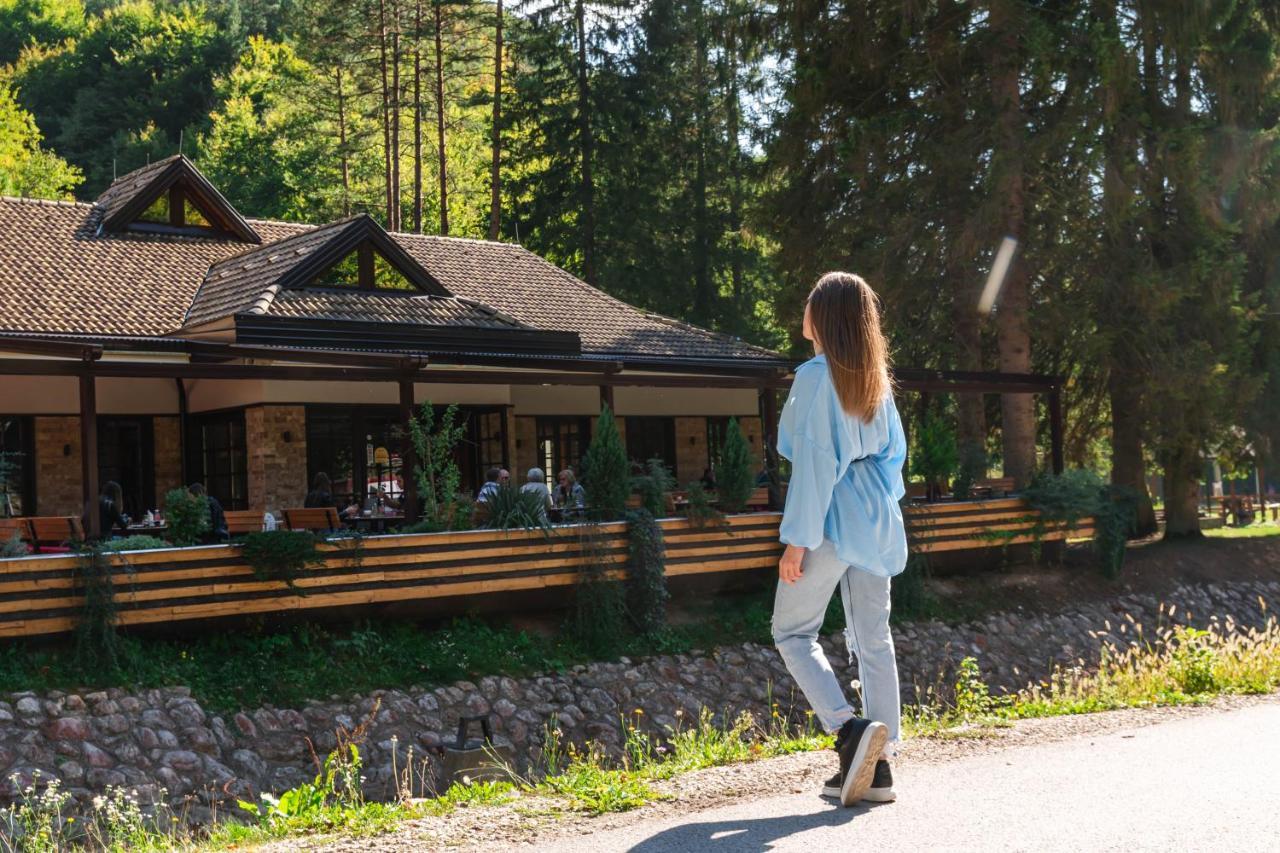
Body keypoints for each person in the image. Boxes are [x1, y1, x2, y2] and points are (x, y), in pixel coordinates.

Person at [772, 272, 907, 808]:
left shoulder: (813, 378)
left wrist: (796, 541)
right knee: (874, 639)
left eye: (809, 302)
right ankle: (880, 767)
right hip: (876, 517)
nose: (802, 310)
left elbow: (813, 464)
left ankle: (849, 732)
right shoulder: (876, 379)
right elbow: (895, 461)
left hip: (828, 518)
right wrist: (878, 509)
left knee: (791, 631)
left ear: (823, 317)